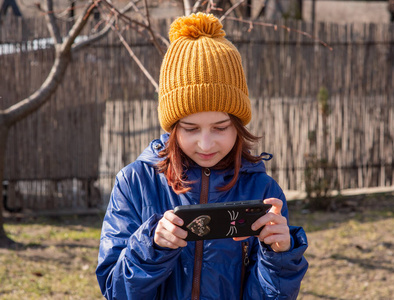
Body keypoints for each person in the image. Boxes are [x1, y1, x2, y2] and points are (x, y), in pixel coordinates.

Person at [96, 12, 308, 300]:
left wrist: (279, 257)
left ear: (238, 126)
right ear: (172, 128)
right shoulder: (135, 183)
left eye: (220, 128)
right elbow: (115, 291)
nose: (205, 144)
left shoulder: (263, 191)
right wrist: (151, 246)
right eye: (190, 128)